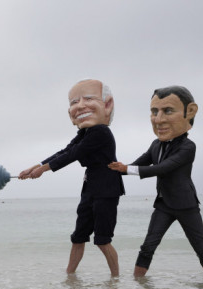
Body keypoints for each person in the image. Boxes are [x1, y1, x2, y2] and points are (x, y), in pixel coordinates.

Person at [19, 79, 124, 276]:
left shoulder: (101, 131)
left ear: (107, 105)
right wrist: (38, 165)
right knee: (78, 236)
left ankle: (115, 280)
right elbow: (66, 149)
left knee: (103, 239)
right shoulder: (85, 132)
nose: (80, 105)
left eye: (89, 99)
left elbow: (74, 153)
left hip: (107, 188)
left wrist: (44, 170)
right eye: (74, 102)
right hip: (90, 186)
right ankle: (70, 275)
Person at [108, 85, 203, 277]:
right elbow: (137, 164)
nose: (159, 119)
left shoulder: (188, 147)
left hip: (186, 205)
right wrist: (109, 170)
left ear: (189, 112)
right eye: (154, 112)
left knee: (201, 248)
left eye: (167, 111)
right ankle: (139, 285)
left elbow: (161, 169)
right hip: (164, 204)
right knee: (148, 246)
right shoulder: (155, 144)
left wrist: (127, 169)